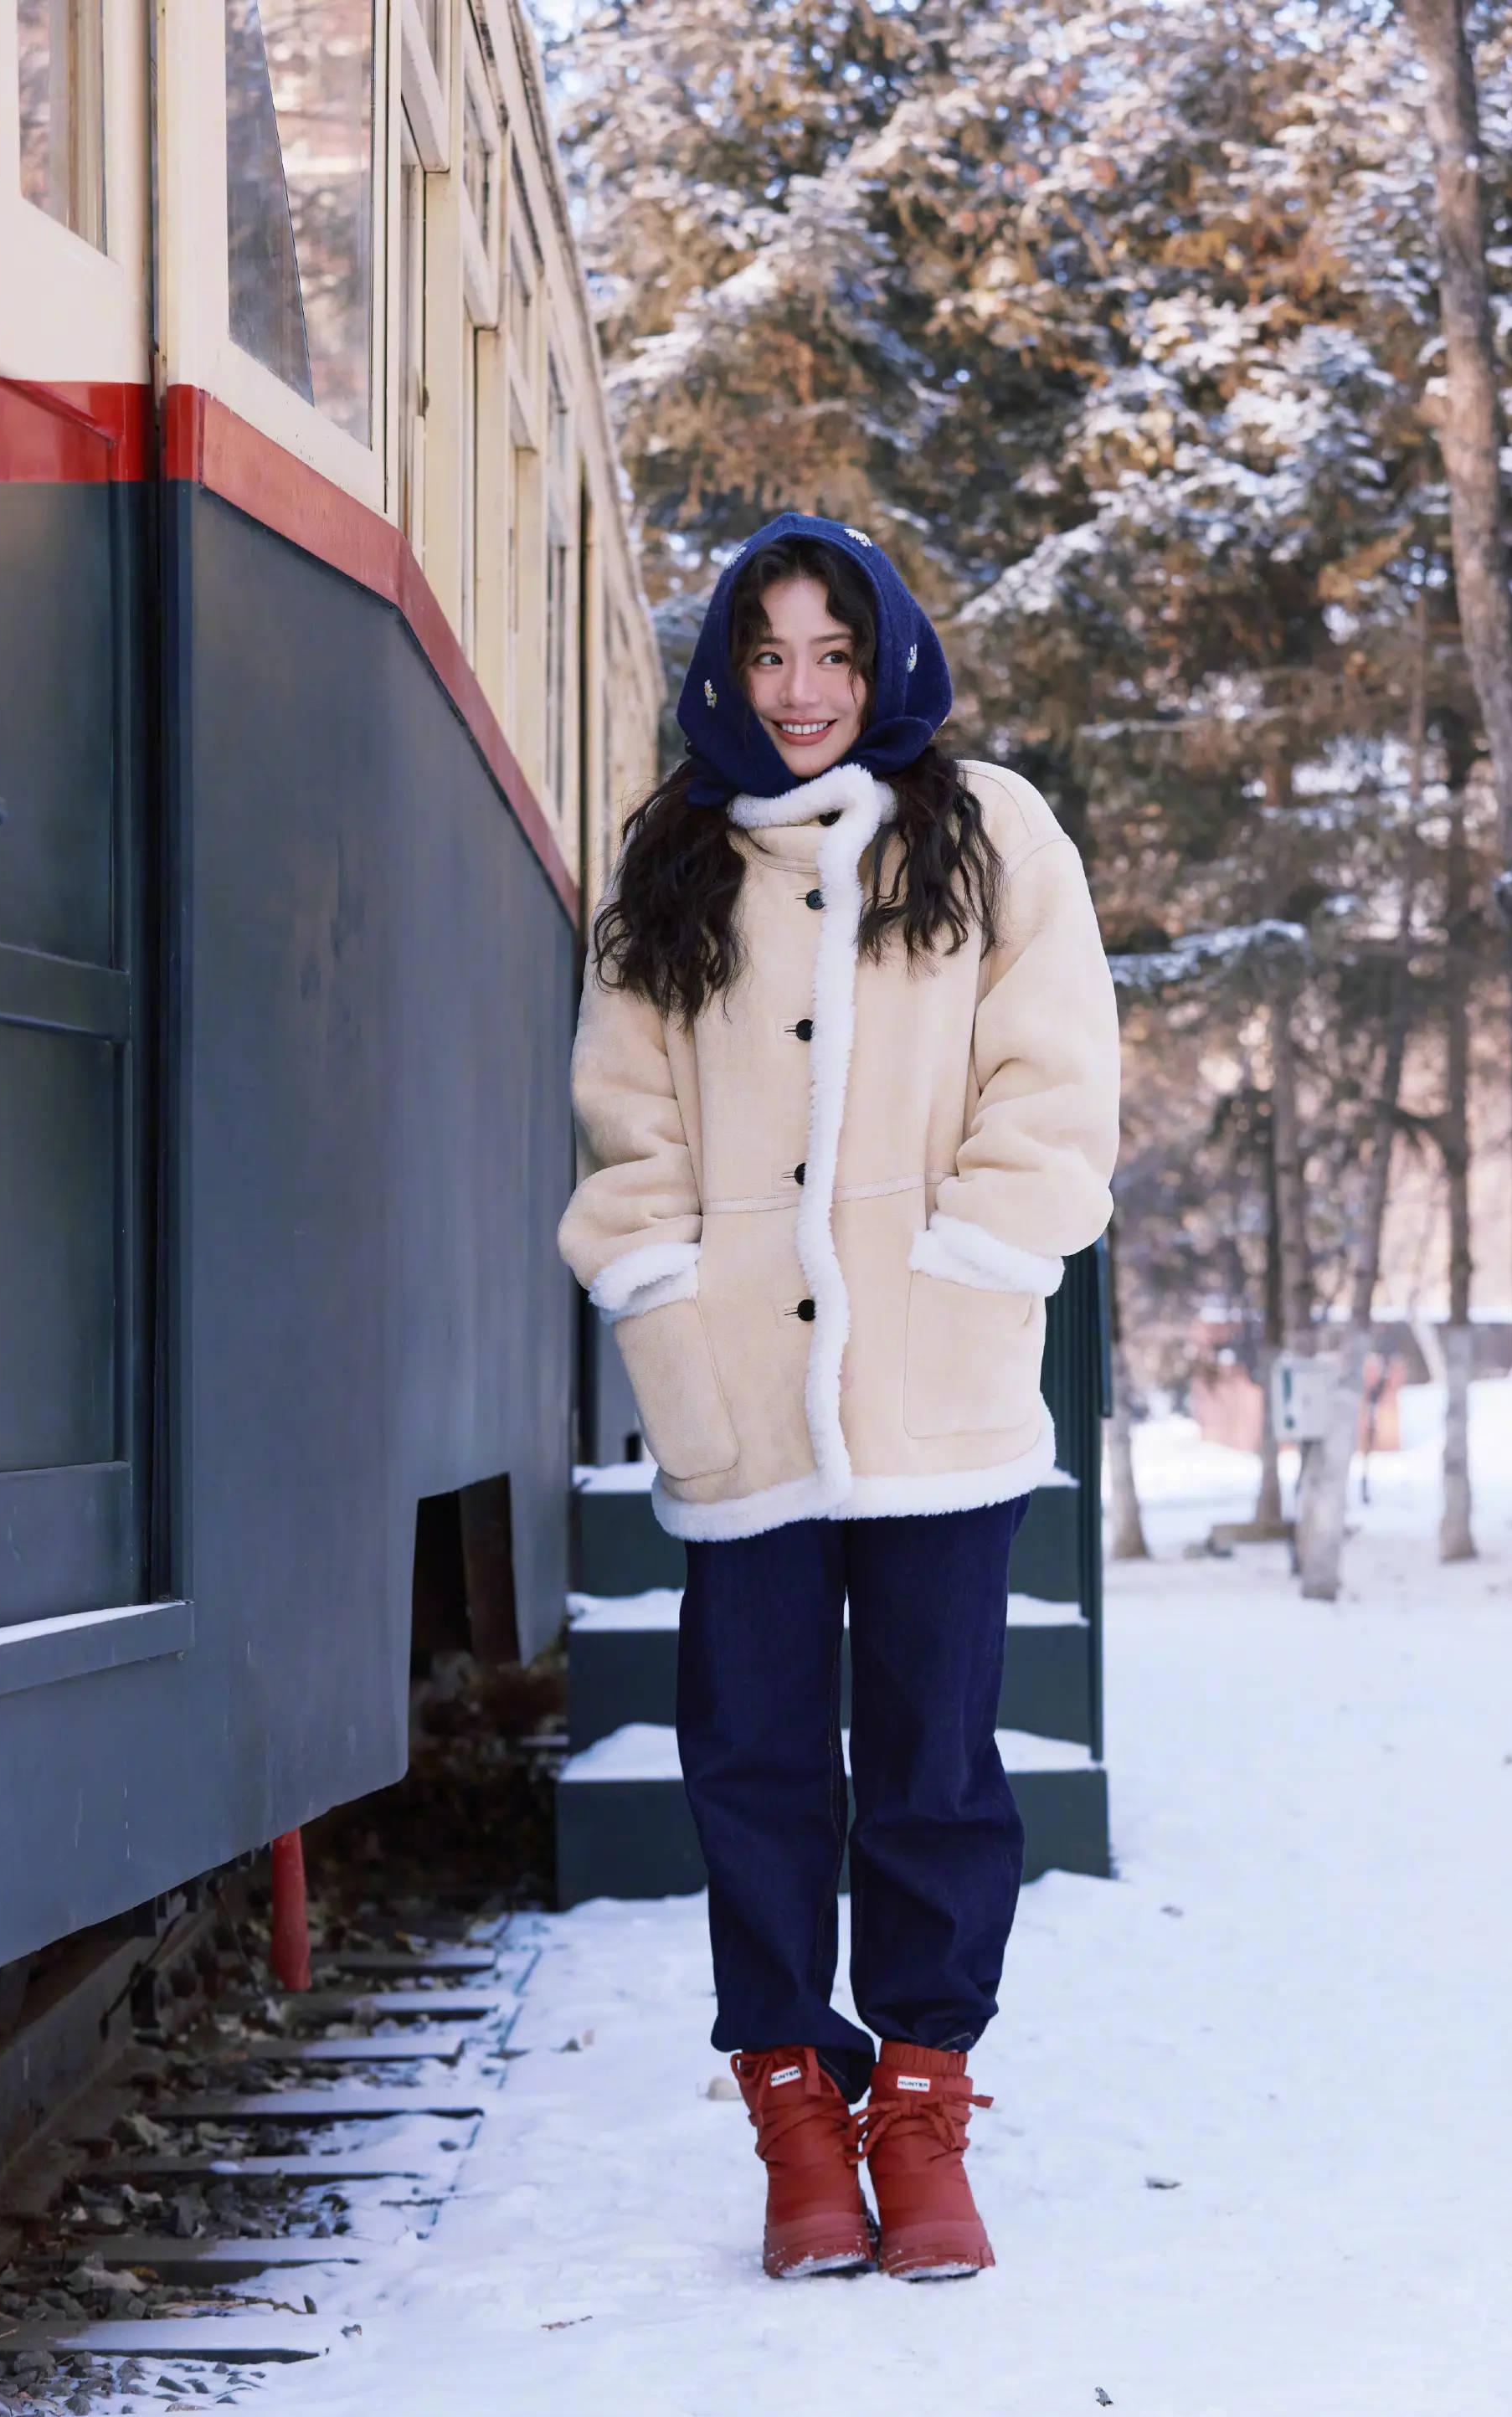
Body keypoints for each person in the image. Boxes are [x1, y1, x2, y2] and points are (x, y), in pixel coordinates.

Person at [558, 515, 1119, 2281]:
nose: (802, 691)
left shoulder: (989, 832)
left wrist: (977, 1263)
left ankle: (923, 2108)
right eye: (768, 654)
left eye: (834, 653)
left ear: (887, 664)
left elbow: (1054, 1082)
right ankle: (797, 2113)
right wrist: (661, 1298)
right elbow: (629, 1123)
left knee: (936, 1761)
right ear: (727, 672)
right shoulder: (672, 855)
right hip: (740, 1393)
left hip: (935, 1385)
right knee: (753, 1762)